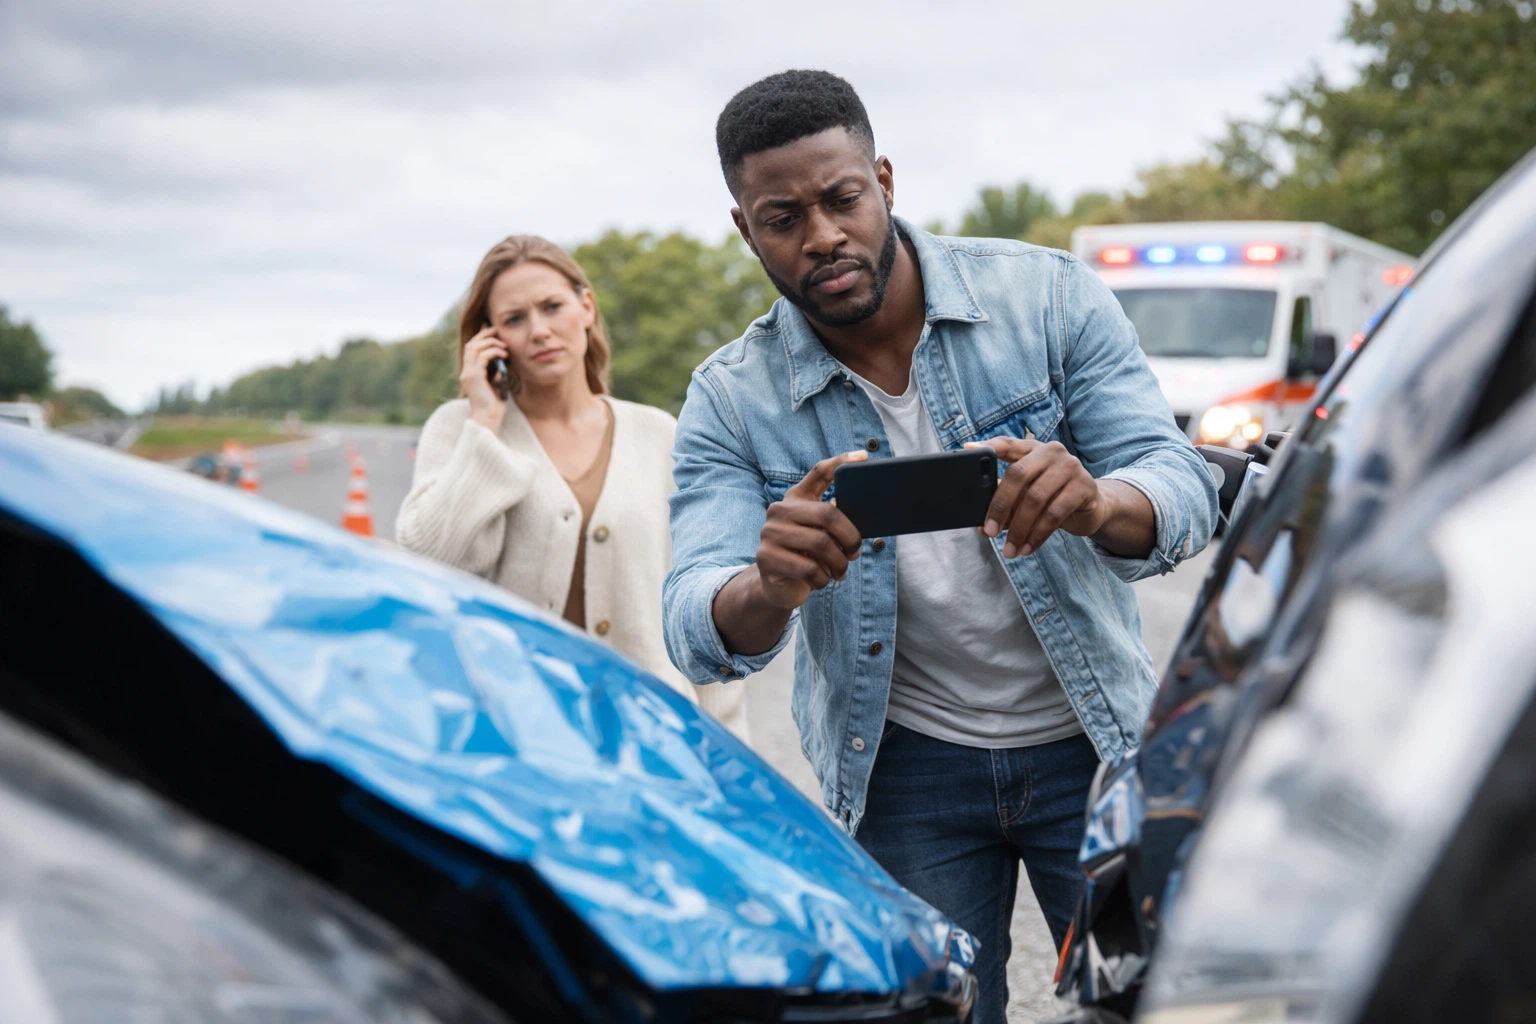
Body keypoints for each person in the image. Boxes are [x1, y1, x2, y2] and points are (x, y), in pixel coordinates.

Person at [663, 71, 1215, 1021]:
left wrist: (1097, 502)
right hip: (904, 772)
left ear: (883, 180)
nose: (823, 235)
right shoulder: (729, 398)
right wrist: (768, 585)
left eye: (843, 198)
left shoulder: (1046, 297)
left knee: (1153, 1002)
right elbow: (692, 622)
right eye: (783, 218)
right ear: (746, 230)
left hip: (1092, 742)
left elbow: (1181, 480)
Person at [398, 235, 748, 742]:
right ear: (490, 339)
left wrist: (725, 746)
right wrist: (486, 427)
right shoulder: (461, 430)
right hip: (512, 733)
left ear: (585, 307)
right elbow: (429, 563)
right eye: (514, 319)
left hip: (652, 733)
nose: (539, 330)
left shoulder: (659, 435)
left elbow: (697, 599)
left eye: (551, 307)